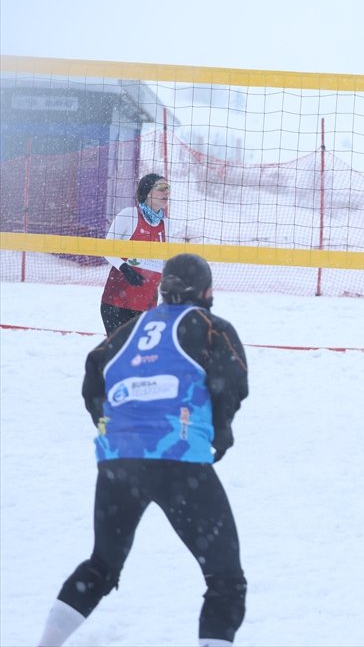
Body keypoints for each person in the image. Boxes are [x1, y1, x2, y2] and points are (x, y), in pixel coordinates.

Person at [38, 253, 249, 647]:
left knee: (101, 565)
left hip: (118, 462)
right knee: (225, 580)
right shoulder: (211, 327)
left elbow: (93, 375)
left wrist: (111, 426)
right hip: (178, 460)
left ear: (163, 288)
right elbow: (231, 382)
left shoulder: (128, 331)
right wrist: (221, 434)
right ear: (207, 292)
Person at [100, 172, 170, 334]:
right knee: (121, 349)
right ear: (147, 191)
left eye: (168, 188)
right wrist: (125, 268)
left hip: (147, 306)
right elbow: (105, 248)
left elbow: (166, 262)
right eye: (161, 187)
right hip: (117, 303)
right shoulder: (129, 215)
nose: (166, 192)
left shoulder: (167, 224)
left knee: (141, 350)